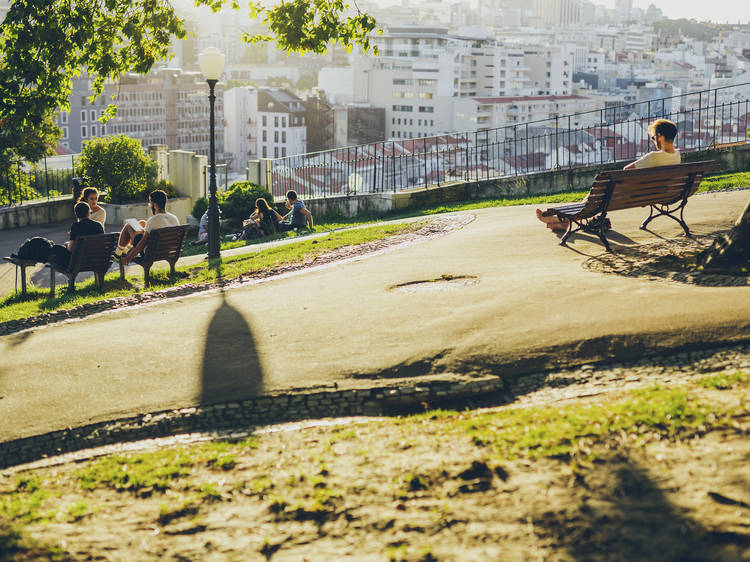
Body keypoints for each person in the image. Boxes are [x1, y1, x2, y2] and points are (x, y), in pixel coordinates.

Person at [536, 118, 681, 231]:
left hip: (632, 196)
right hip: (662, 194)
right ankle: (564, 222)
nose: (654, 141)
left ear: (660, 136)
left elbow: (626, 170)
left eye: (653, 137)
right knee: (597, 196)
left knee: (596, 197)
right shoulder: (677, 156)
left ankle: (561, 219)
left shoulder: (653, 157)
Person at [114, 189, 180, 265]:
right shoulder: (174, 218)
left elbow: (142, 243)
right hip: (168, 251)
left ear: (155, 205)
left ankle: (118, 253)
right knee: (142, 223)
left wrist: (128, 258)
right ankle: (126, 249)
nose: (150, 205)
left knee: (128, 226)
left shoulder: (153, 220)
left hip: (151, 254)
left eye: (150, 203)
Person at [49, 201, 105, 270]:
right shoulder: (98, 225)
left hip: (79, 262)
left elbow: (70, 249)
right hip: (97, 260)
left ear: (76, 215)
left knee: (56, 248)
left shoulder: (76, 226)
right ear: (88, 213)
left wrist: (67, 244)